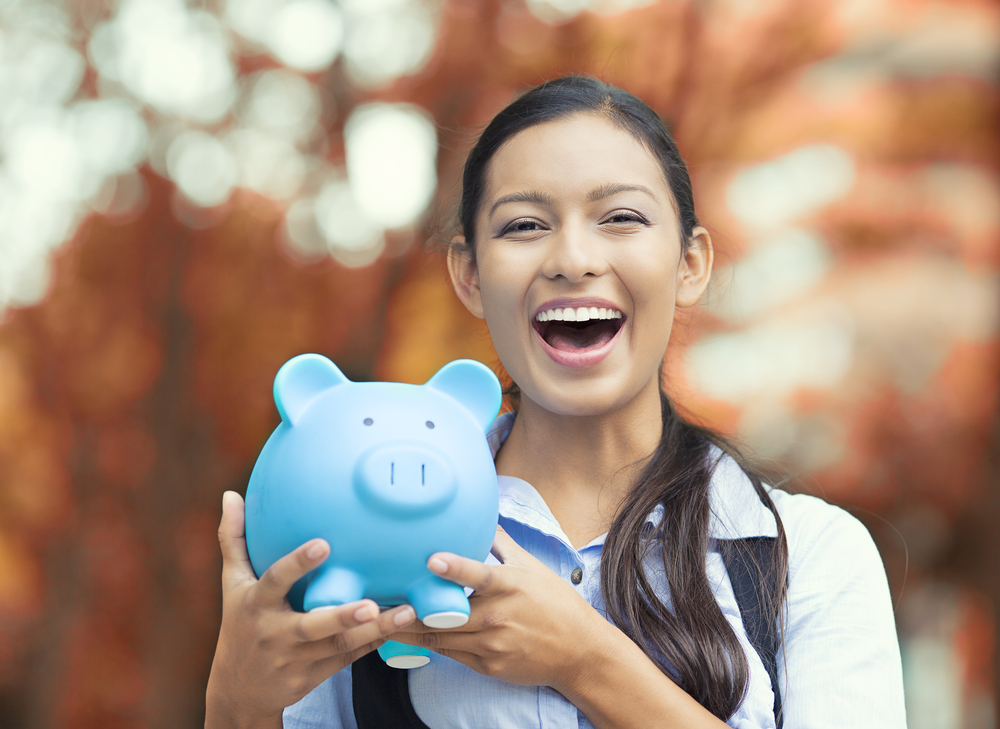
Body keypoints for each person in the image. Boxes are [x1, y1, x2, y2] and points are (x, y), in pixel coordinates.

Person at [205, 76, 906, 729]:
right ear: (470, 275)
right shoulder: (350, 530)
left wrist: (585, 660)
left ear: (690, 263)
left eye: (621, 217)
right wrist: (235, 701)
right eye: (525, 225)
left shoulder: (808, 555)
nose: (573, 257)